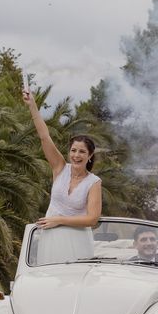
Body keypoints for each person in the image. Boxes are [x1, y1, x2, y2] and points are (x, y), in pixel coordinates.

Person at [23, 84, 102, 264]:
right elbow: (44, 136)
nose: (76, 155)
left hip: (77, 241)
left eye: (82, 152)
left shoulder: (94, 182)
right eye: (73, 150)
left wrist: (59, 220)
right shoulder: (59, 168)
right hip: (51, 238)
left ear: (89, 156)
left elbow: (92, 219)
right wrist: (32, 106)